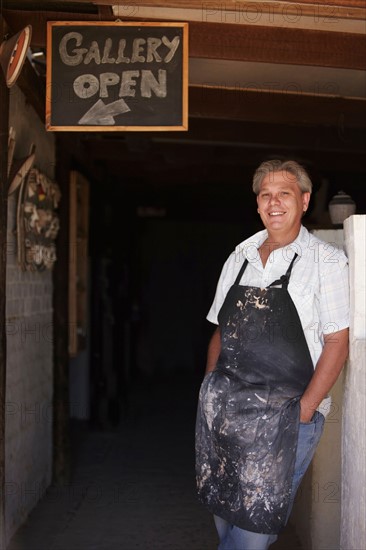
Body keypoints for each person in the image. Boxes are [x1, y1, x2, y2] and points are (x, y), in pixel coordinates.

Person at [195, 159, 349, 550]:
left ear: (304, 199)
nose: (273, 202)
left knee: (251, 536)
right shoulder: (239, 257)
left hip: (284, 417)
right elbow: (220, 331)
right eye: (265, 195)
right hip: (226, 413)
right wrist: (211, 389)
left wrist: (304, 411)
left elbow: (337, 342)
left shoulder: (326, 262)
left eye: (284, 193)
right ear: (258, 203)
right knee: (224, 513)